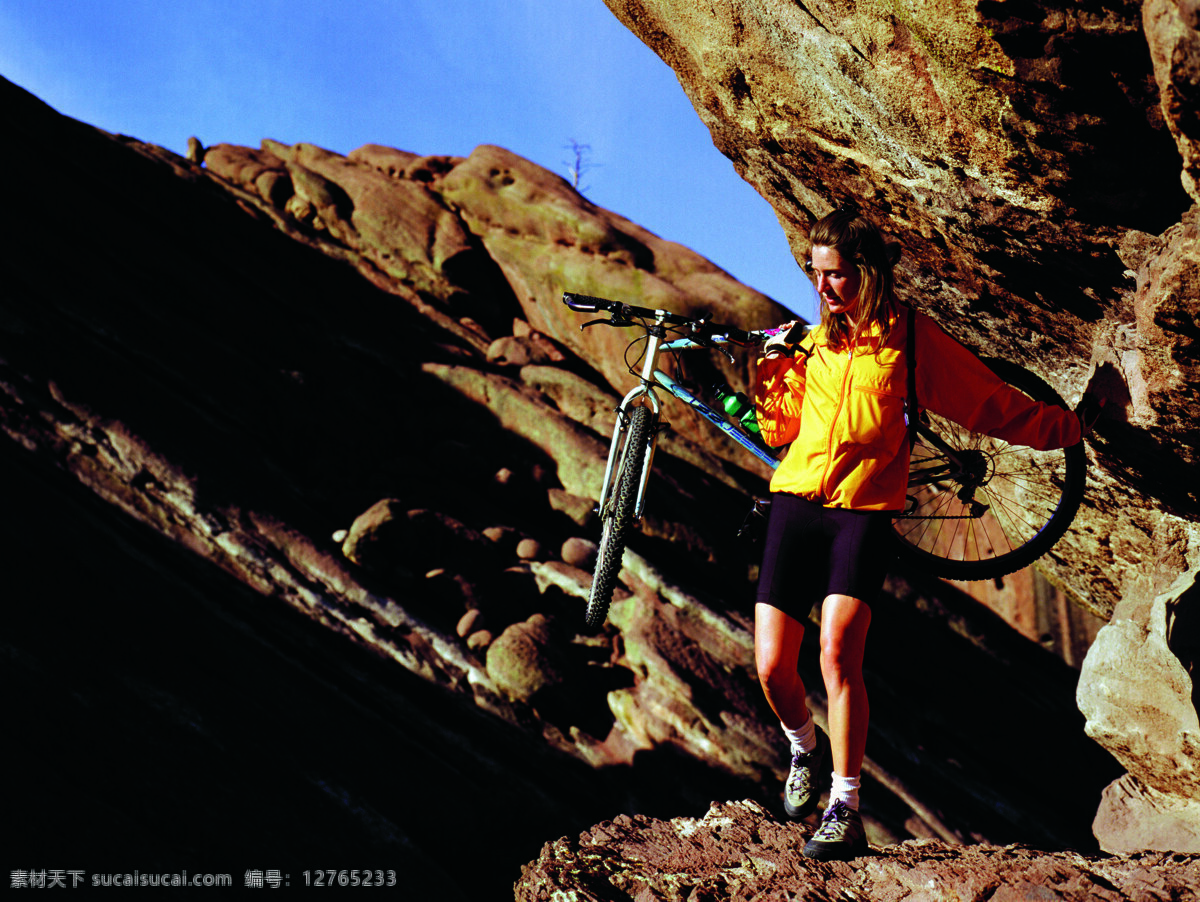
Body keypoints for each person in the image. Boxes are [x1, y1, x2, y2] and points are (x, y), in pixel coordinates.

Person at [752, 204, 1096, 861]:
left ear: (871, 274)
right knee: (772, 667)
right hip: (796, 504)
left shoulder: (911, 338)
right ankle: (803, 748)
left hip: (865, 511)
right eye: (813, 272)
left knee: (838, 654)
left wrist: (1068, 428)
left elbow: (989, 403)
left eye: (836, 276)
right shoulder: (812, 341)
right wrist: (771, 368)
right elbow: (778, 431)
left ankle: (845, 806)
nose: (822, 288)